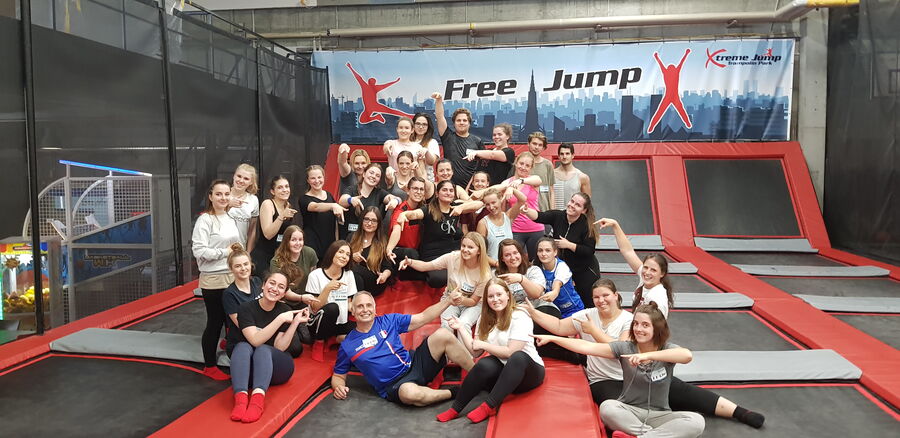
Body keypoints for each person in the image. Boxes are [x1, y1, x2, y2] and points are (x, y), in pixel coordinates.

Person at [527, 279, 765, 431]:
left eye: (605, 295)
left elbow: (619, 350)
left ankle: (739, 412)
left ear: (616, 296)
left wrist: (593, 331)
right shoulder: (588, 315)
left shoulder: (630, 321)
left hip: (636, 374)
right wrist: (532, 313)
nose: (601, 300)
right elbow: (562, 328)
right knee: (613, 407)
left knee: (682, 392)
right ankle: (650, 431)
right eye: (597, 296)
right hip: (606, 380)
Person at [533, 302, 705, 438]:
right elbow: (586, 346)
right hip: (628, 411)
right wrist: (553, 339)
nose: (638, 329)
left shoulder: (666, 349)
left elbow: (686, 355)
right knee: (608, 407)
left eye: (645, 325)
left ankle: (642, 436)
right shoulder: (625, 348)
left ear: (656, 328)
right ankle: (651, 435)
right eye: (636, 324)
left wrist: (648, 356)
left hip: (659, 414)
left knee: (696, 421)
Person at [331, 291, 475, 406]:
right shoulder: (348, 345)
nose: (365, 310)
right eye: (360, 306)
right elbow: (338, 376)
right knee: (410, 393)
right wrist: (339, 387)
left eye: (369, 305)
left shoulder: (389, 321)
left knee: (443, 334)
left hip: (415, 364)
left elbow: (423, 317)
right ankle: (455, 392)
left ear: (374, 309)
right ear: (353, 311)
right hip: (396, 385)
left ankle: (478, 374)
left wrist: (448, 301)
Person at [437, 279, 545, 423]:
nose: (495, 299)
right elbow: (475, 352)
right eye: (490, 296)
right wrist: (461, 327)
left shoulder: (520, 316)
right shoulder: (485, 318)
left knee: (518, 357)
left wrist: (484, 345)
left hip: (528, 374)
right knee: (484, 364)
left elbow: (510, 352)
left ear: (508, 295)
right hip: (504, 375)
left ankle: (489, 406)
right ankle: (455, 409)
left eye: (499, 294)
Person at [228, 272, 310, 423]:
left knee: (263, 349)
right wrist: (280, 319)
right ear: (263, 285)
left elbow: (280, 347)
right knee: (242, 346)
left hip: (276, 368)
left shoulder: (284, 310)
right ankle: (240, 400)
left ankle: (257, 401)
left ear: (284, 293)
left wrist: (295, 322)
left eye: (281, 287)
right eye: (272, 283)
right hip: (249, 372)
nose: (275, 289)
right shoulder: (245, 308)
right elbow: (255, 340)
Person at [191, 179, 241, 380]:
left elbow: (234, 245)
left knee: (232, 318)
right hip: (213, 278)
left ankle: (229, 348)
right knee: (215, 321)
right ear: (210, 196)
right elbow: (199, 251)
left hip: (232, 276)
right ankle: (210, 365)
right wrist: (225, 252)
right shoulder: (205, 220)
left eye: (227, 194)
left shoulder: (229, 217)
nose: (223, 198)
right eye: (218, 194)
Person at [399, 232, 492, 335]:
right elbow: (427, 266)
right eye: (463, 246)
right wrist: (410, 262)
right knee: (447, 326)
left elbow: (473, 301)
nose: (465, 250)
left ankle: (463, 346)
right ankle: (447, 344)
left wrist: (461, 299)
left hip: (472, 304)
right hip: (450, 299)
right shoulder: (452, 258)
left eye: (470, 247)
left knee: (463, 324)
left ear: (479, 251)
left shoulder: (485, 274)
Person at [522, 192, 601, 308]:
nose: (572, 205)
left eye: (577, 205)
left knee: (587, 302)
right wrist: (527, 211)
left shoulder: (587, 225)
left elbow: (589, 251)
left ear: (584, 210)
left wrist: (569, 245)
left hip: (585, 270)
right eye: (572, 201)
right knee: (567, 299)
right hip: (566, 267)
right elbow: (540, 216)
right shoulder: (558, 216)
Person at [394, 180, 473, 288]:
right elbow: (415, 214)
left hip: (451, 253)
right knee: (437, 279)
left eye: (451, 190)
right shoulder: (429, 209)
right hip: (433, 255)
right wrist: (404, 215)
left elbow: (479, 204)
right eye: (444, 190)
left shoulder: (455, 207)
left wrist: (462, 207)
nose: (448, 193)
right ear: (437, 193)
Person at [597, 218, 673, 317]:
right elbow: (627, 251)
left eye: (653, 270)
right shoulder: (645, 278)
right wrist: (615, 225)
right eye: (646, 267)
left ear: (662, 273)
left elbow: (656, 325)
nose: (647, 272)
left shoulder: (657, 297)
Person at [305, 240, 359, 361]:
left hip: (340, 322)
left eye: (347, 254)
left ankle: (333, 339)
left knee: (364, 329)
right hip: (318, 323)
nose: (344, 256)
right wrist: (327, 289)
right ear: (332, 253)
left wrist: (359, 308)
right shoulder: (315, 275)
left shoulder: (349, 274)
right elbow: (314, 308)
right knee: (332, 308)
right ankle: (319, 342)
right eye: (341, 252)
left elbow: (348, 303)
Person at [432, 92, 483, 187]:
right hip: (449, 188)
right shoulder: (447, 136)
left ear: (469, 123)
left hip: (471, 188)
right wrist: (439, 100)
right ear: (454, 123)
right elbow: (440, 117)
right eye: (458, 120)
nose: (461, 123)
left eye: (465, 120)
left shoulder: (477, 141)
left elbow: (482, 167)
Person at [338, 163, 400, 240]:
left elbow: (397, 199)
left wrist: (395, 201)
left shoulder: (379, 193)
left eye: (377, 176)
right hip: (349, 237)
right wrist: (350, 200)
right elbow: (342, 201)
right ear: (364, 174)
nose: (373, 176)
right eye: (371, 173)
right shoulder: (352, 189)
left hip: (369, 238)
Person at [251, 175, 297, 276]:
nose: (285, 190)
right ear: (272, 191)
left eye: (287, 186)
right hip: (263, 255)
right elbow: (268, 234)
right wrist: (281, 216)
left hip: (279, 256)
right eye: (280, 187)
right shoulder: (268, 204)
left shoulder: (288, 205)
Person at [299, 165, 346, 259]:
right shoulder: (304, 199)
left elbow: (335, 222)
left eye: (319, 177)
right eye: (313, 178)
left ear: (324, 178)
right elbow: (315, 206)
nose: (317, 181)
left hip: (329, 244)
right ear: (308, 180)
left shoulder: (329, 195)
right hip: (312, 245)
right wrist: (333, 205)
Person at [506, 151, 545, 259]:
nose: (523, 167)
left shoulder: (533, 180)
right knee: (515, 261)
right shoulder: (507, 182)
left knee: (536, 262)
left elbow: (539, 180)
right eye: (521, 163)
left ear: (531, 168)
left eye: (527, 165)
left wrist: (521, 181)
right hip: (515, 230)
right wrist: (509, 187)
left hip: (535, 228)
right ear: (516, 163)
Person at [348, 207, 394, 297]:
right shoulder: (352, 237)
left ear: (378, 223)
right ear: (362, 220)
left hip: (374, 280)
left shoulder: (383, 241)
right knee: (353, 272)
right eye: (366, 219)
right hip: (354, 280)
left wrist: (384, 275)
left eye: (374, 221)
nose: (369, 223)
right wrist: (351, 257)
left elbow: (388, 267)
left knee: (354, 269)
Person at [535, 237, 584, 318]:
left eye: (548, 250)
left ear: (555, 252)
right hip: (553, 310)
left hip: (572, 309)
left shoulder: (562, 266)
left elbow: (557, 283)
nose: (543, 254)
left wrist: (555, 292)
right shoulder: (536, 268)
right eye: (540, 250)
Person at [386, 176, 428, 270]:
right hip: (401, 252)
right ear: (408, 191)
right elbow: (396, 230)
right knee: (413, 254)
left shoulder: (424, 209)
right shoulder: (400, 210)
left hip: (417, 251)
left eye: (421, 189)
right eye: (415, 188)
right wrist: (389, 249)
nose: (418, 192)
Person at [476, 187, 524, 260]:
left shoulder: (508, 216)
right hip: (492, 264)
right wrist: (496, 264)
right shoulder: (483, 223)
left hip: (509, 262)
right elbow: (480, 251)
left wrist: (512, 189)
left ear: (501, 199)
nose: (491, 207)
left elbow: (522, 200)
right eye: (487, 204)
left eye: (493, 202)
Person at [269, 225, 319, 294]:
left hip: (306, 295)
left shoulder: (310, 253)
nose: (298, 243)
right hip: (284, 297)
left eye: (300, 240)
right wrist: (301, 298)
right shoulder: (276, 261)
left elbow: (313, 278)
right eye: (293, 240)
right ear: (286, 241)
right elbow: (278, 288)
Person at [468, 123, 516, 188]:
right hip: (481, 190)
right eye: (494, 135)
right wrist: (467, 189)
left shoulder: (509, 152)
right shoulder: (487, 152)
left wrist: (475, 152)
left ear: (507, 136)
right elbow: (476, 173)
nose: (496, 137)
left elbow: (492, 155)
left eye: (499, 134)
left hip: (497, 190)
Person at [228, 163, 260, 252]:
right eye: (239, 176)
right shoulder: (223, 194)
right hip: (220, 249)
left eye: (246, 179)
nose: (241, 180)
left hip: (240, 249)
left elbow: (252, 230)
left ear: (251, 182)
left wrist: (248, 253)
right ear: (234, 176)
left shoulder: (253, 200)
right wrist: (227, 205)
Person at [553, 143, 592, 210]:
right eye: (562, 154)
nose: (564, 156)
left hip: (574, 215)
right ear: (558, 156)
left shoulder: (582, 177)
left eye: (567, 154)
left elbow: (587, 203)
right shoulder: (551, 175)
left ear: (573, 155)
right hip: (554, 215)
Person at [524, 132, 555, 213]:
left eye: (540, 145)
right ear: (528, 144)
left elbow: (552, 190)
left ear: (543, 148)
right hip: (525, 210)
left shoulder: (548, 165)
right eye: (534, 144)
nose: (536, 147)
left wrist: (552, 212)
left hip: (544, 210)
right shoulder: (521, 164)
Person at [409, 112, 440, 182]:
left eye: (424, 124)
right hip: (408, 180)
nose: (421, 127)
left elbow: (431, 161)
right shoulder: (407, 141)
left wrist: (426, 151)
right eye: (418, 124)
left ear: (428, 127)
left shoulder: (432, 142)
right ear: (413, 125)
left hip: (427, 181)